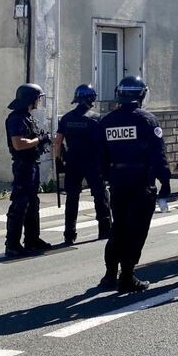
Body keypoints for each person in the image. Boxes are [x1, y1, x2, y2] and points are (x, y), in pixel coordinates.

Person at [99, 76, 170, 292]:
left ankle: (110, 275)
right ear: (141, 94)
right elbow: (158, 154)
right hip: (141, 183)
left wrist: (107, 177)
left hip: (118, 183)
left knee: (118, 228)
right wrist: (165, 181)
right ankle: (127, 276)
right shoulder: (147, 120)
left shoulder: (107, 121)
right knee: (136, 230)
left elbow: (100, 155)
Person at [55, 84, 111, 245]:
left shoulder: (66, 118)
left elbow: (58, 142)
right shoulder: (96, 118)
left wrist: (58, 160)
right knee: (100, 195)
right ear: (91, 99)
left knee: (72, 198)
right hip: (93, 162)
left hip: (73, 161)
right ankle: (105, 228)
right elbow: (104, 142)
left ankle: (69, 234)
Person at [4, 84, 53, 257]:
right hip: (23, 165)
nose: (39, 101)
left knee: (33, 203)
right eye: (38, 98)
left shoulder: (27, 117)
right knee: (20, 204)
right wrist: (39, 140)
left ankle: (32, 239)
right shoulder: (16, 118)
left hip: (32, 164)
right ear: (30, 99)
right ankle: (12, 244)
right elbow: (18, 144)